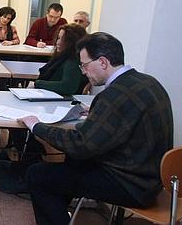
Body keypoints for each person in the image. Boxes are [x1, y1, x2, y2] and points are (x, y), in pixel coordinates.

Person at [19, 32, 173, 225]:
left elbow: (80, 144)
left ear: (102, 62)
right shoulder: (148, 82)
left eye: (84, 65)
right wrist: (96, 112)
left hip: (131, 185)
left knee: (38, 175)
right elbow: (125, 120)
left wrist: (36, 126)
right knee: (72, 161)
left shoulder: (113, 96)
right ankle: (60, 214)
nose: (83, 71)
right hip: (150, 178)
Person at [34, 23, 88, 95]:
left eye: (64, 39)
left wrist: (38, 83)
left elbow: (67, 87)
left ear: (72, 42)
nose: (58, 42)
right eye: (58, 38)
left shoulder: (73, 61)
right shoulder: (61, 57)